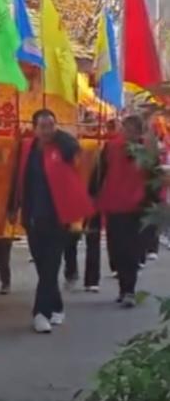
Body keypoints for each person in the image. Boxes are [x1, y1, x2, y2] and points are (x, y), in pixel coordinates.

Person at [8, 109, 91, 334]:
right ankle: (57, 306)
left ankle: (40, 313)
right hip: (33, 217)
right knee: (43, 265)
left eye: (51, 125)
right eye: (42, 126)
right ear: (34, 128)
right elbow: (17, 177)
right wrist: (12, 207)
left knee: (51, 266)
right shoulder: (27, 148)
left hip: (58, 218)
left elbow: (76, 150)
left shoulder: (62, 147)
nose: (47, 130)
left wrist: (60, 135)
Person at [93, 113, 152, 307]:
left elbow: (154, 177)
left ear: (139, 132)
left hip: (137, 205)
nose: (129, 133)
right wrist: (93, 196)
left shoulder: (147, 150)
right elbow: (100, 173)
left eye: (133, 130)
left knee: (132, 250)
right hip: (113, 202)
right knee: (116, 248)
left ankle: (129, 290)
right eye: (126, 129)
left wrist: (152, 202)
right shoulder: (110, 147)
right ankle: (123, 286)